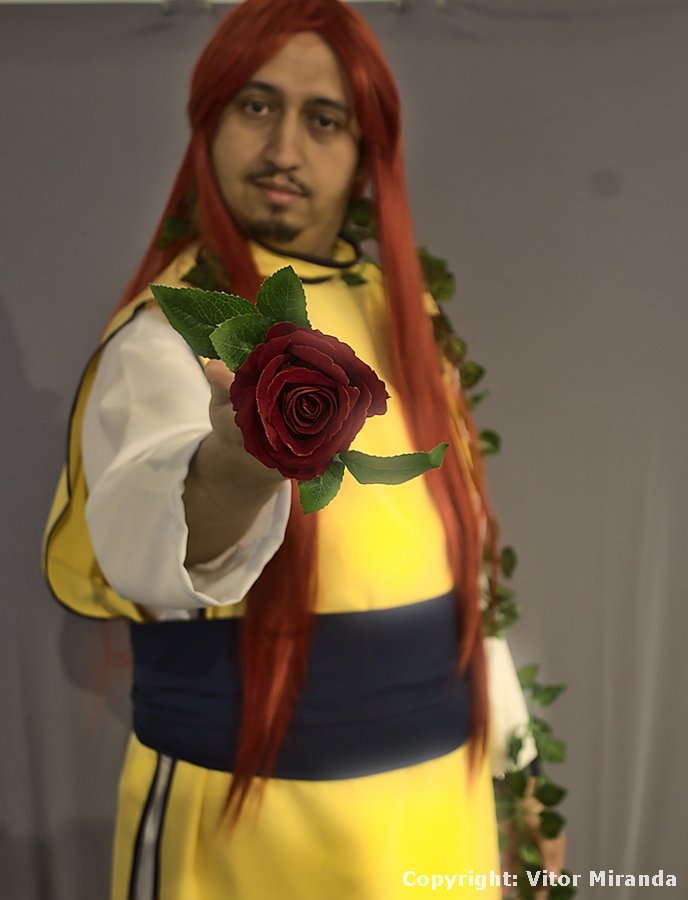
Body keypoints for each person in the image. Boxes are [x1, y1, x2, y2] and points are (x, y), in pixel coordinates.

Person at [43, 1, 549, 897]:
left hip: (440, 814)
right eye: (256, 105)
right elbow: (149, 553)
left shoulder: (405, 312)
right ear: (210, 122)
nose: (284, 149)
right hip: (254, 834)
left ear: (364, 153)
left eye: (323, 120)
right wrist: (238, 464)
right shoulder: (167, 336)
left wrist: (518, 774)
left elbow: (461, 571)